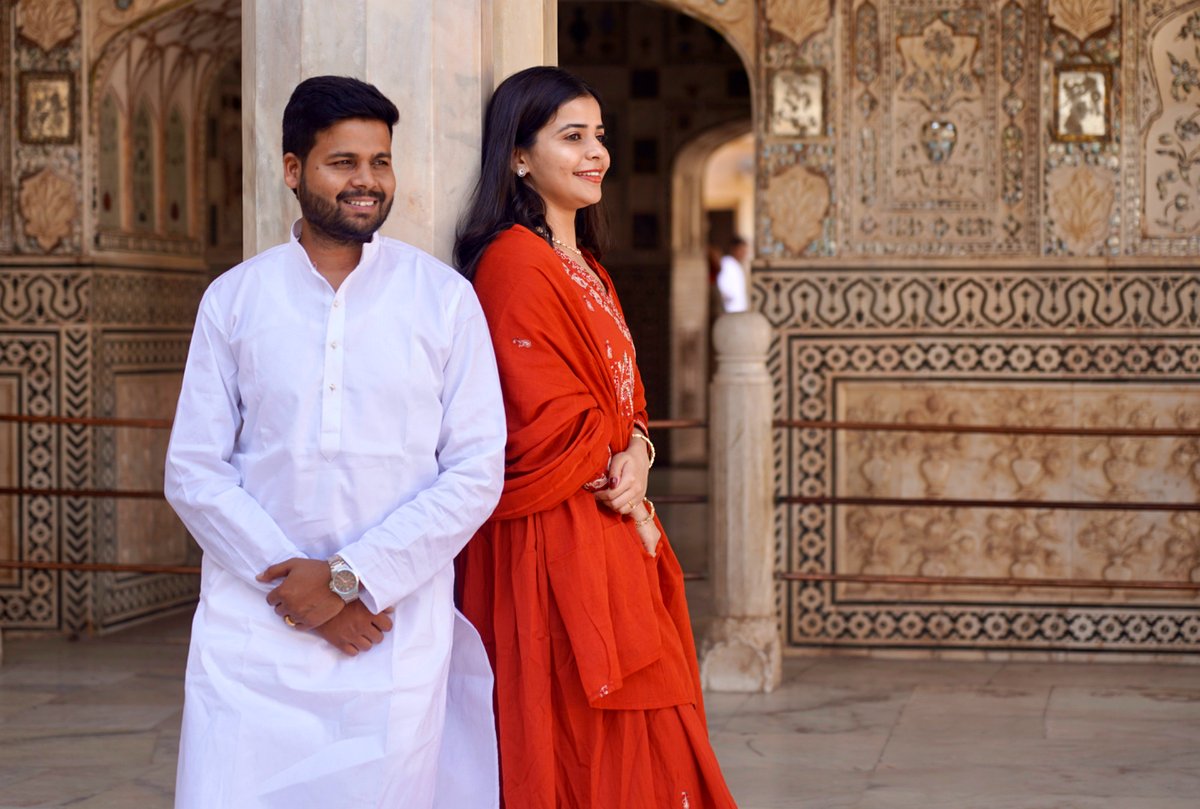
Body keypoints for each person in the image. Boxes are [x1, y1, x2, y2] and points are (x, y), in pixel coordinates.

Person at [164, 75, 506, 809]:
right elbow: (193, 468)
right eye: (343, 162)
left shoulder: (443, 298)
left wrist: (352, 578)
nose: (367, 182)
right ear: (293, 170)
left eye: (380, 162)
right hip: (255, 628)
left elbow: (477, 468)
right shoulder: (235, 299)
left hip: (387, 626)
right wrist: (300, 589)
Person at [454, 66, 738, 809]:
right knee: (583, 726)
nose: (597, 154)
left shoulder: (590, 269)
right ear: (519, 156)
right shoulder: (514, 263)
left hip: (609, 520)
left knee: (646, 723)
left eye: (600, 136)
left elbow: (627, 399)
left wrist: (639, 453)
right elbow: (537, 421)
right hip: (555, 537)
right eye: (572, 137)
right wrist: (623, 478)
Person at [716, 235, 749, 313]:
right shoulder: (727, 263)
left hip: (739, 309)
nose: (743, 253)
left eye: (745, 250)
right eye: (741, 250)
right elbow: (722, 285)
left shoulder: (737, 265)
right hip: (730, 309)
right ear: (733, 249)